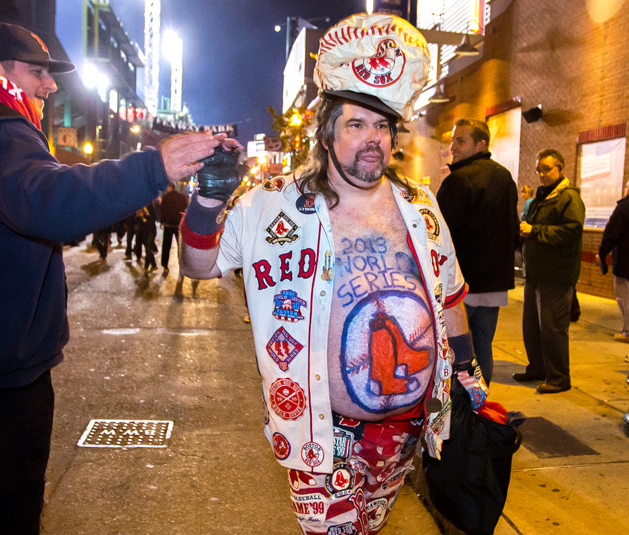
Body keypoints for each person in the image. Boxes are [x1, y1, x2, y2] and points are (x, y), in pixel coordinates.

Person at [0, 22, 223, 535]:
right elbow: (52, 202)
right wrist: (155, 166)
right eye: (38, 71)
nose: (50, 85)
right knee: (9, 520)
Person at [180, 13, 486, 534]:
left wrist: (468, 371)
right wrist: (208, 199)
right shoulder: (269, 206)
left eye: (382, 126)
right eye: (356, 124)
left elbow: (450, 296)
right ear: (325, 134)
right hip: (320, 437)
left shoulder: (422, 205)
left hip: (405, 432)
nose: (373, 139)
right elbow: (198, 266)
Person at [437, 119, 519, 385]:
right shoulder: (505, 177)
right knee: (483, 345)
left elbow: (440, 234)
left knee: (456, 349)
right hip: (494, 283)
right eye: (452, 140)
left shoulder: (458, 180)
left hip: (462, 284)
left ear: (480, 144)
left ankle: (461, 410)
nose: (453, 147)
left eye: (460, 141)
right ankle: (480, 403)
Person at [514, 149, 585, 394]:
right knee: (531, 326)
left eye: (547, 169)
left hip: (556, 275)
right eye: (539, 170)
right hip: (536, 273)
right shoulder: (543, 196)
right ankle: (538, 368)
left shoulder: (568, 198)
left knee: (553, 328)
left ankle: (559, 377)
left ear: (561, 168)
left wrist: (535, 232)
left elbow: (572, 231)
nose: (542, 175)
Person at [598, 185, 629, 342]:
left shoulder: (624, 208)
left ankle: (628, 332)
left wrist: (602, 253)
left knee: (624, 297)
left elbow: (611, 233)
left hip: (625, 262)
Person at [159, 183, 188, 276]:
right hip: (178, 225)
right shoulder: (181, 197)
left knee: (166, 246)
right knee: (180, 246)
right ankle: (182, 265)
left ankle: (165, 265)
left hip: (168, 224)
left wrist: (161, 221)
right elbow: (184, 206)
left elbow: (162, 210)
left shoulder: (166, 197)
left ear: (169, 187)